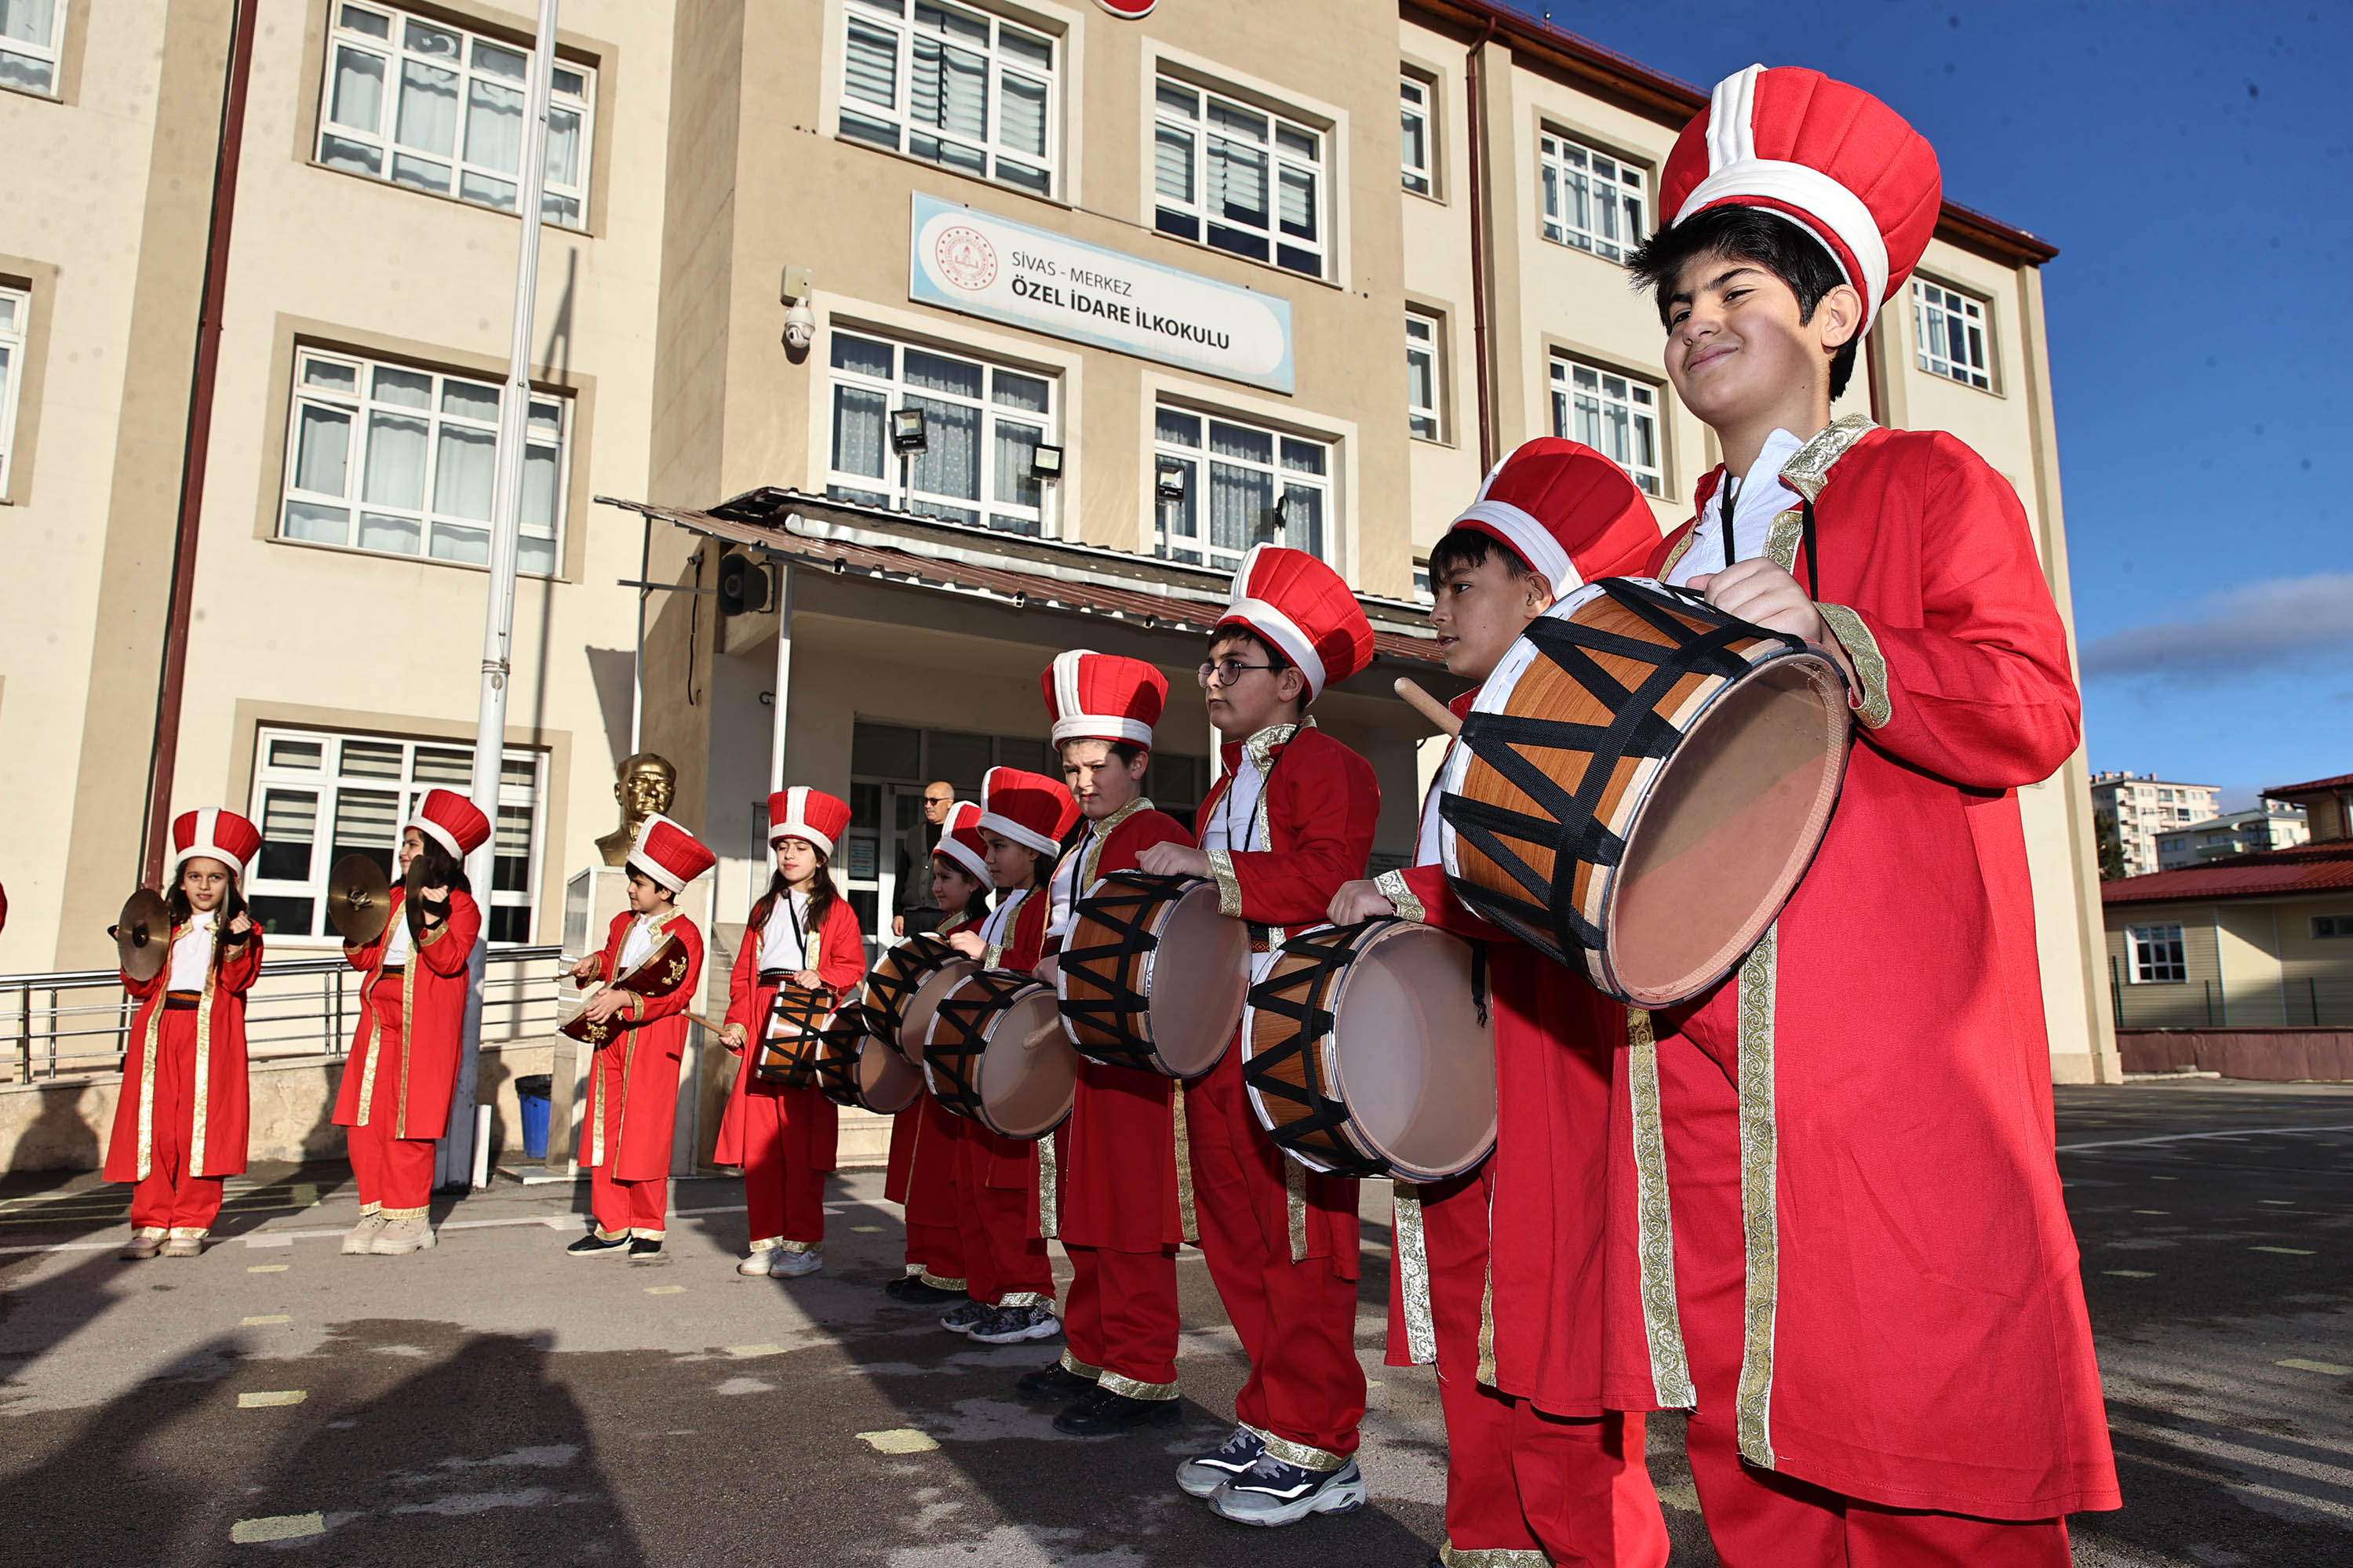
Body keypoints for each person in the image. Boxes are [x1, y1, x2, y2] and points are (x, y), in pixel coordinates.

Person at [1611, 64, 2117, 1563]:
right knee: (1744, 1411)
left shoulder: (1925, 479)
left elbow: (2028, 703)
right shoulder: (1650, 563)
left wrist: (1836, 635)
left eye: (1736, 289)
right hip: (1684, 1034)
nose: (1695, 322)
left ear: (1835, 315)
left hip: (1886, 1041)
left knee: (1925, 1406)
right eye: (1677, 302)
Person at [1331, 439, 1670, 1567]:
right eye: (1432, 586)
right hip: (1474, 1073)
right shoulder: (1469, 731)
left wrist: (1403, 890)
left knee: (1557, 1340)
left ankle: (1592, 1550)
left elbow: (1545, 881)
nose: (1435, 609)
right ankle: (1489, 1539)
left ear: (1537, 593)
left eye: (1459, 584)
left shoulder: (1581, 718)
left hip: (1552, 1074)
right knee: (1470, 1321)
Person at [1129, 546, 1382, 1526]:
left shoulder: (1333, 766)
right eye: (1208, 664)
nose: (1211, 681)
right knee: (1237, 1240)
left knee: (1302, 1247)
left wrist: (1208, 869)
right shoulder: (1222, 784)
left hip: (1290, 1038)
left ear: (1288, 681)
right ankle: (1272, 1418)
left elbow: (1327, 878)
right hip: (1220, 1039)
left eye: (1232, 665)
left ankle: (1321, 1442)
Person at [1013, 650, 1195, 1437]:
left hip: (1131, 1054)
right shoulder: (1080, 844)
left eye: (1097, 767)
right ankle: (1088, 1351)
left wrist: (1074, 970)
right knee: (1083, 1210)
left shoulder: (1155, 833)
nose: (1082, 782)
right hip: (1080, 1046)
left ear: (1138, 761)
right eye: (1072, 768)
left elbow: (1167, 948)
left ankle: (1143, 1371)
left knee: (1128, 1214)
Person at [935, 766, 1076, 1346]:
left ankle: (1028, 1298)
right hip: (984, 1069)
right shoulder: (1007, 903)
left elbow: (1041, 977)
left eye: (999, 846)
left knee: (1010, 1191)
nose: (988, 857)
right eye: (988, 845)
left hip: (1020, 1069)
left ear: (1035, 851)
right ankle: (988, 1289)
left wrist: (985, 952)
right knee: (974, 1186)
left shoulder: (1046, 905)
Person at [717, 788, 869, 1278]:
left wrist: (822, 977)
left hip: (806, 1018)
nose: (789, 855)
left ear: (820, 857)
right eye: (783, 846)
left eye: (801, 848)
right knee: (760, 1140)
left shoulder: (837, 911)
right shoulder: (763, 909)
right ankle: (765, 1240)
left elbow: (852, 965)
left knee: (800, 1139)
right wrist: (737, 1020)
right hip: (763, 1014)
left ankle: (803, 1244)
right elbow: (744, 973)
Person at [333, 788, 487, 1257]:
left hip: (424, 1022)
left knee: (410, 1119)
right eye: (403, 843)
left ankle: (410, 1217)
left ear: (435, 853)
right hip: (378, 1015)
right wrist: (355, 925)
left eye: (413, 844)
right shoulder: (392, 897)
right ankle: (375, 1209)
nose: (402, 851)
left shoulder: (461, 906)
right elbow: (364, 959)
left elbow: (448, 961)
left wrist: (434, 918)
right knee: (365, 1117)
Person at [107, 809, 264, 1260]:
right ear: (181, 882)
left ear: (231, 882)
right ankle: (151, 1220)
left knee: (201, 1128)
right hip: (160, 1030)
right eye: (195, 876)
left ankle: (192, 1221)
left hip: (211, 1032)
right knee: (155, 1127)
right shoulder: (164, 928)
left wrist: (235, 945)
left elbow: (237, 981)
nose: (204, 886)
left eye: (215, 877)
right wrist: (132, 946)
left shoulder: (244, 930)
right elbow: (140, 987)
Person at [565, 813, 713, 1263]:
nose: (630, 889)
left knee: (645, 1134)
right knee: (605, 1129)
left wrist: (624, 1000)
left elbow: (679, 994)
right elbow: (614, 959)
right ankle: (611, 1224)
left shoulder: (686, 934)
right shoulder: (622, 923)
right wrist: (593, 964)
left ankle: (648, 1225)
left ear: (665, 890)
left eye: (639, 883)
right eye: (632, 881)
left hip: (653, 1041)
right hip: (611, 1039)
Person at [891, 800, 986, 1318]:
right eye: (935, 874)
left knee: (943, 1172)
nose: (936, 884)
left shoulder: (979, 930)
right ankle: (923, 1261)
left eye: (948, 876)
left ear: (974, 881)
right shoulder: (946, 927)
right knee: (920, 1171)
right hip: (924, 1067)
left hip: (951, 1068)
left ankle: (948, 1269)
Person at [893, 780, 958, 937]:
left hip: (946, 913)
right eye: (925, 800)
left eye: (934, 801)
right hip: (913, 914)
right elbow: (902, 875)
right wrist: (897, 913)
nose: (928, 806)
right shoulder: (913, 834)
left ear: (949, 803)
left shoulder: (958, 834)